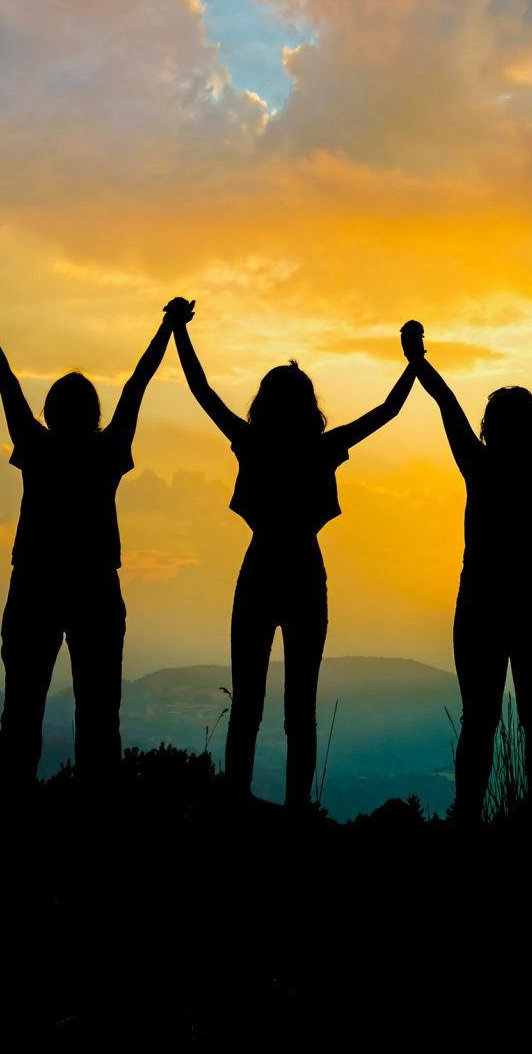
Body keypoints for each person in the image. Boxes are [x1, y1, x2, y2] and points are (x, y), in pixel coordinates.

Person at [172, 302, 415, 808]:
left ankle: (237, 800)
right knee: (298, 708)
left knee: (249, 705)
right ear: (309, 407)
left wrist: (178, 331)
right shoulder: (321, 448)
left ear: (264, 403)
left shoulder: (252, 440)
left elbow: (202, 392)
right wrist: (413, 360)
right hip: (305, 573)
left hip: (260, 571)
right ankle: (297, 810)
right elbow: (388, 412)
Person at [404, 300, 532, 822]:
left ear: (490, 429)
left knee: (480, 722)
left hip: (480, 606)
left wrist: (416, 358)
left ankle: (468, 818)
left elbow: (445, 401)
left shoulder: (480, 465)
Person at [0, 287, 181, 786]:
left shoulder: (37, 447)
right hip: (95, 589)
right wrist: (169, 329)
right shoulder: (107, 451)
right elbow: (137, 385)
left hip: (35, 587)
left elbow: (4, 380)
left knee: (20, 713)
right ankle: (96, 817)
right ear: (95, 415)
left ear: (49, 412)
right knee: (100, 718)